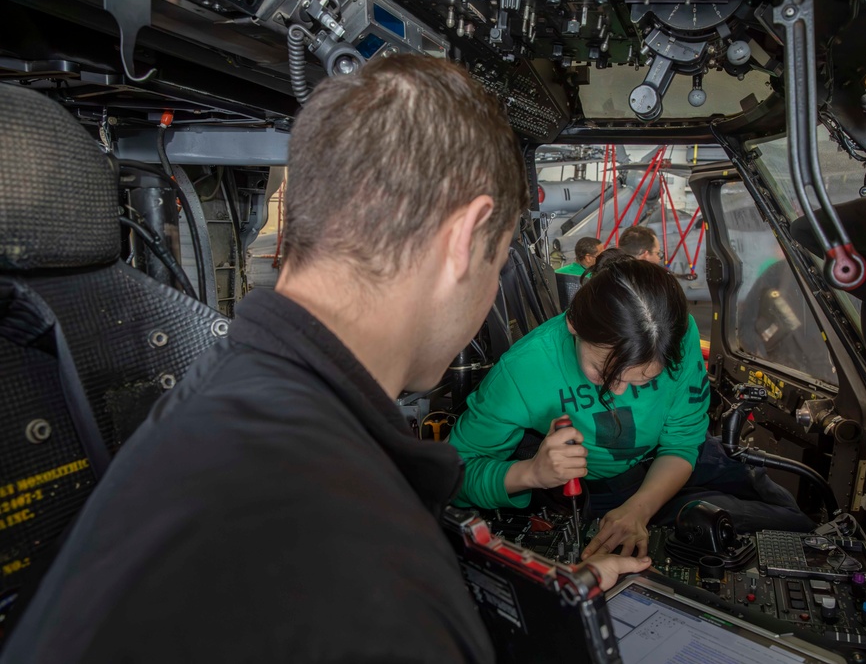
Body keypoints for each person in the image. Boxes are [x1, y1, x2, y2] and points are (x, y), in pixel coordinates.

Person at [0, 56, 647, 664]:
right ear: (463, 239)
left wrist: (573, 588)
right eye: (498, 260)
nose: (491, 290)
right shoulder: (366, 566)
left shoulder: (211, 405)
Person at [449, 251, 708, 560]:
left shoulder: (676, 333)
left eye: (640, 380)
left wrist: (639, 508)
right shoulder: (523, 370)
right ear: (574, 323)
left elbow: (683, 441)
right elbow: (455, 475)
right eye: (602, 373)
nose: (616, 392)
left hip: (664, 475)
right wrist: (531, 473)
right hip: (584, 493)